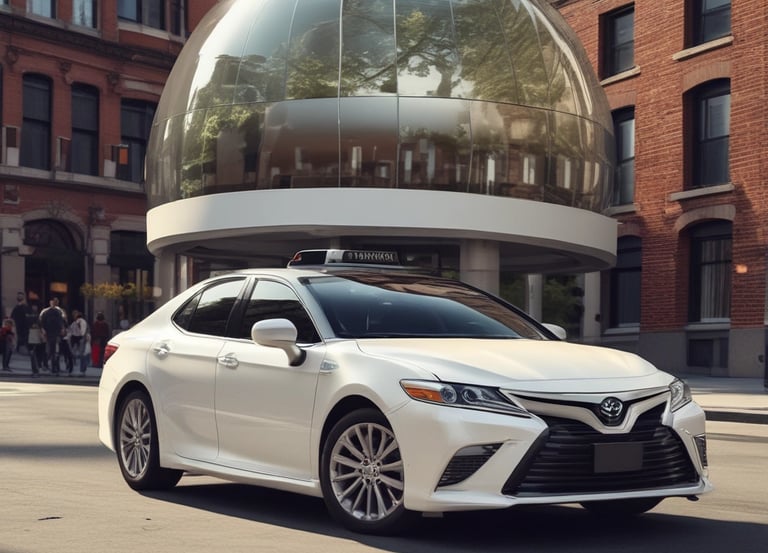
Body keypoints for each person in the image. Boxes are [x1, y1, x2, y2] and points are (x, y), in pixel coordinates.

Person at [40, 298, 67, 375]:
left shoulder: (59, 311)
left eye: (54, 302)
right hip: (49, 334)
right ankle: (47, 365)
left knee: (55, 351)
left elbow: (63, 321)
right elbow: (41, 322)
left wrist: (63, 329)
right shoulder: (45, 311)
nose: (53, 303)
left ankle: (55, 367)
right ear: (50, 302)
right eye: (52, 302)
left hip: (56, 334)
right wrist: (43, 330)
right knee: (49, 351)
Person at [68, 310, 90, 377]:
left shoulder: (78, 322)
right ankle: (82, 370)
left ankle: (81, 370)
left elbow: (73, 331)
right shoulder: (83, 322)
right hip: (80, 339)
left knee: (81, 355)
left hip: (79, 339)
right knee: (82, 355)